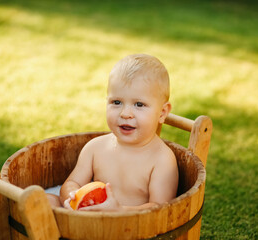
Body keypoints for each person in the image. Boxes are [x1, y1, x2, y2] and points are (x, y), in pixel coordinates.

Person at [47, 54, 178, 211]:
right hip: (89, 218)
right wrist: (72, 195)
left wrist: (119, 210)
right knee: (43, 199)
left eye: (139, 104)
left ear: (162, 113)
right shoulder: (95, 148)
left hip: (132, 228)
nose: (125, 113)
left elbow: (160, 208)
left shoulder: (162, 159)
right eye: (117, 102)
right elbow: (71, 183)